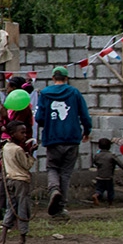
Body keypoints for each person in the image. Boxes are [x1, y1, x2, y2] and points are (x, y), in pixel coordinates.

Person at [35, 66, 91, 219]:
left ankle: (54, 190)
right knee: (65, 172)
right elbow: (85, 115)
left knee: (52, 167)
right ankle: (60, 208)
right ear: (66, 79)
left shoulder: (45, 94)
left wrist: (49, 123)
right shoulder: (74, 92)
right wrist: (87, 131)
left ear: (53, 78)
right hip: (72, 138)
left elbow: (39, 118)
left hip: (53, 138)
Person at [0, 77, 34, 220]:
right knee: (6, 175)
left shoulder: (23, 108)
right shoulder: (10, 106)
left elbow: (15, 128)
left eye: (9, 87)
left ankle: (13, 212)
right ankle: (5, 208)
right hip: (7, 145)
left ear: (15, 89)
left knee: (13, 176)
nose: (7, 90)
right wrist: (3, 123)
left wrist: (5, 121)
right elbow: (0, 126)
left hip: (19, 148)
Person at [0, 121, 37, 244]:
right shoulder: (18, 149)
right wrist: (30, 153)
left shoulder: (6, 147)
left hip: (10, 180)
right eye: (22, 132)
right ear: (13, 134)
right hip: (21, 181)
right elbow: (26, 166)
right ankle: (22, 238)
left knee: (11, 208)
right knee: (22, 208)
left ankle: (3, 239)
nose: (25, 135)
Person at [90, 138, 123, 206]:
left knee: (100, 189)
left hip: (99, 176)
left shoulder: (97, 155)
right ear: (109, 147)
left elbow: (95, 162)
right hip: (109, 177)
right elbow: (121, 164)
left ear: (99, 146)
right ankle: (110, 203)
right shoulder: (112, 156)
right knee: (110, 190)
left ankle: (96, 195)